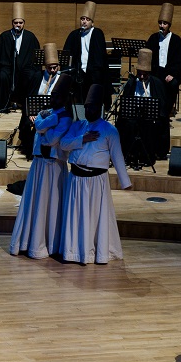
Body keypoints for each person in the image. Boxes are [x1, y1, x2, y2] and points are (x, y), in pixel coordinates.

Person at [52, 83, 131, 264]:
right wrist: (82, 139)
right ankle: (73, 251)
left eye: (93, 107)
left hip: (96, 182)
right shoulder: (77, 126)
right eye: (87, 107)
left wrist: (125, 182)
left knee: (95, 218)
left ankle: (97, 252)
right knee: (77, 218)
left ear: (100, 108)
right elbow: (63, 144)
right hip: (76, 179)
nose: (89, 110)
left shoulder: (109, 130)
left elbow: (117, 157)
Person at [9, 82, 73, 260]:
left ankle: (49, 244)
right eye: (52, 96)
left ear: (65, 99)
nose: (52, 99)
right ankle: (30, 242)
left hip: (53, 167)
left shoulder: (66, 118)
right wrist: (47, 122)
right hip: (38, 164)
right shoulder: (48, 114)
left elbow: (50, 140)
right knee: (35, 203)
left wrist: (45, 123)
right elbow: (38, 126)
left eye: (57, 97)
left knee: (50, 205)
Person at [116, 48, 167, 168]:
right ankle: (130, 155)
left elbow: (162, 107)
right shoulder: (131, 83)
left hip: (149, 117)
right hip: (133, 115)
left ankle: (147, 156)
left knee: (150, 125)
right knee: (128, 124)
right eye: (140, 73)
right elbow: (125, 105)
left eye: (145, 73)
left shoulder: (157, 83)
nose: (142, 76)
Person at [0, 2, 40, 114]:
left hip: (25, 68)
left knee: (32, 75)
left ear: (24, 23)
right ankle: (3, 105)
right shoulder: (4, 36)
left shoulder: (30, 37)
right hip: (8, 67)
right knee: (2, 76)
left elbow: (35, 57)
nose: (18, 25)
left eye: (20, 23)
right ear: (12, 23)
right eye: (16, 22)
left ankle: (26, 105)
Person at [16, 43, 63, 158]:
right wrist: (31, 113)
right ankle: (32, 151)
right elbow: (29, 97)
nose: (52, 70)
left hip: (54, 112)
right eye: (49, 68)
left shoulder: (62, 79)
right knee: (28, 123)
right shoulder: (37, 77)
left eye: (55, 67)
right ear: (45, 67)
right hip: (36, 111)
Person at [62, 0, 111, 109]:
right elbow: (67, 54)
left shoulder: (97, 33)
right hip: (78, 72)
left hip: (93, 73)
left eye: (87, 20)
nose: (84, 22)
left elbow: (100, 56)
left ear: (92, 22)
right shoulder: (75, 34)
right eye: (82, 19)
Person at [146, 2, 181, 138]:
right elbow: (147, 56)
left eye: (165, 23)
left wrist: (172, 75)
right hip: (156, 73)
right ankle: (155, 117)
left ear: (169, 25)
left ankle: (165, 115)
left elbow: (179, 60)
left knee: (172, 85)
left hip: (169, 73)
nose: (162, 26)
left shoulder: (176, 40)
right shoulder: (153, 38)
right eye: (160, 23)